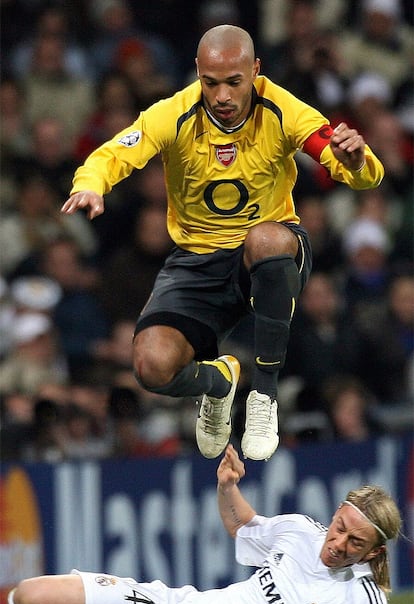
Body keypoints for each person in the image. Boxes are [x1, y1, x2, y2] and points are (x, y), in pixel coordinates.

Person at [61, 24, 384, 461]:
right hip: (196, 261)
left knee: (265, 238)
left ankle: (264, 397)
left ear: (254, 70)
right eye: (211, 83)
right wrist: (92, 184)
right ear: (197, 72)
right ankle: (220, 381)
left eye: (234, 82)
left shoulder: (282, 109)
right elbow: (115, 152)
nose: (223, 96)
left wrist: (358, 160)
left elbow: (346, 163)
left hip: (270, 253)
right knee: (150, 366)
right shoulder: (173, 114)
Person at [0, 445, 401, 604]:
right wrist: (227, 487)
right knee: (30, 596)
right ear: (336, 513)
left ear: (375, 552)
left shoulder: (364, 602)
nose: (338, 543)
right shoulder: (299, 532)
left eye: (355, 542)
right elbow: (241, 526)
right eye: (340, 527)